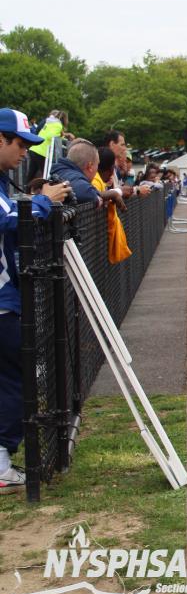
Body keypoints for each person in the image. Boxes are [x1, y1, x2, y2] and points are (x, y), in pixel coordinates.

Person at [0, 108, 72, 493]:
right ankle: (1, 459)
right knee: (19, 379)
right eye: (19, 143)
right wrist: (42, 201)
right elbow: (11, 218)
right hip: (3, 303)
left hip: (7, 298)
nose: (24, 152)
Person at [27, 110, 73, 179]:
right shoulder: (59, 125)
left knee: (31, 174)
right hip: (42, 152)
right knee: (46, 176)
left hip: (34, 149)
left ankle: (27, 186)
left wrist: (61, 135)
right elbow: (51, 136)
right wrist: (61, 136)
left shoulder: (49, 123)